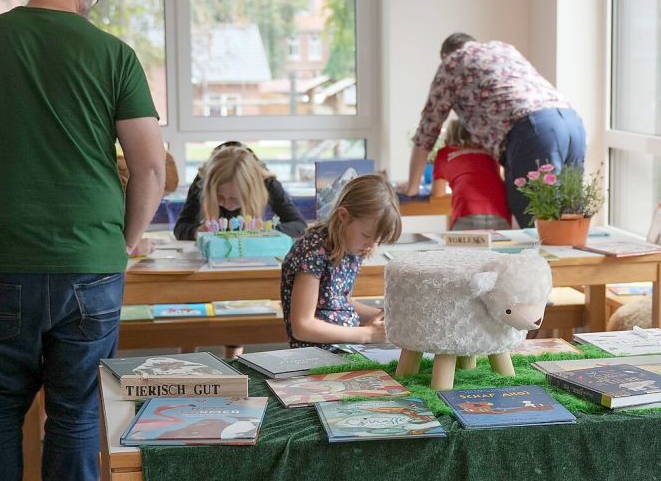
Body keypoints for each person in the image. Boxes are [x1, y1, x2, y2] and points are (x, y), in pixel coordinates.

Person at [0, 0, 166, 481]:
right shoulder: (113, 54)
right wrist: (124, 243)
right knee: (74, 411)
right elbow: (149, 168)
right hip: (89, 264)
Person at [404, 32, 586, 227]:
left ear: (446, 55)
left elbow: (427, 131)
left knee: (536, 217)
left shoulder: (451, 64)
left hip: (534, 131)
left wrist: (411, 189)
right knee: (569, 219)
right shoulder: (503, 49)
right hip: (572, 123)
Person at [281, 175, 402, 350]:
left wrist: (386, 318)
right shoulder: (313, 249)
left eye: (378, 240)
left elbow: (339, 302)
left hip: (347, 348)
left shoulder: (353, 247)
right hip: (316, 356)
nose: (371, 245)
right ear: (343, 216)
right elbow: (302, 327)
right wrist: (367, 334)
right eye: (367, 235)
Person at [174, 142, 307, 241]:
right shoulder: (203, 181)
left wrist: (267, 231)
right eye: (219, 197)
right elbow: (180, 227)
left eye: (235, 199)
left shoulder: (266, 181)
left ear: (253, 192)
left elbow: (299, 225)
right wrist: (196, 231)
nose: (228, 204)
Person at [433, 118, 512, 231]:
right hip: (500, 212)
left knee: (461, 249)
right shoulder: (489, 151)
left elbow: (438, 193)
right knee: (500, 248)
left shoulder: (444, 154)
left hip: (466, 212)